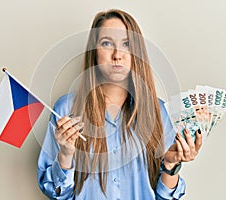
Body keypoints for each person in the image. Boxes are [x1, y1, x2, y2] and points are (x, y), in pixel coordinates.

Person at [37, 9, 202, 200]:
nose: (117, 55)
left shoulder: (159, 112)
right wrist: (65, 154)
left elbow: (164, 198)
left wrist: (170, 166)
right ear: (94, 51)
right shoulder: (67, 109)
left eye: (126, 44)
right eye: (107, 43)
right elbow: (57, 194)